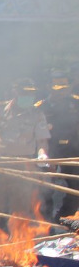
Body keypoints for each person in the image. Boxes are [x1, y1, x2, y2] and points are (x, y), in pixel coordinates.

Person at [0, 78, 50, 243]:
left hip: (23, 165)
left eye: (31, 94)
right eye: (24, 93)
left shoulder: (37, 114)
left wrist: (42, 154)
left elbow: (42, 141)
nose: (28, 97)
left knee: (21, 206)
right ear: (15, 92)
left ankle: (18, 240)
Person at [39, 70, 79, 221]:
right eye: (57, 86)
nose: (61, 90)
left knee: (75, 187)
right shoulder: (41, 106)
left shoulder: (76, 103)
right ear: (49, 87)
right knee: (45, 189)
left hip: (73, 150)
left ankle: (64, 218)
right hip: (48, 150)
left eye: (64, 86)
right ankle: (46, 224)